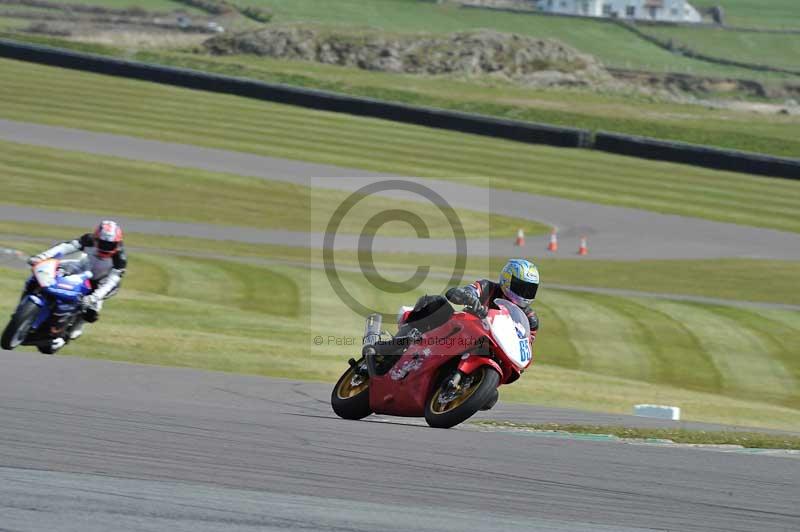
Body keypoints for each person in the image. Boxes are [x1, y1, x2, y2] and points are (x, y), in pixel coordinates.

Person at [27, 220, 127, 349]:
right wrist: (42, 257)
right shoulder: (88, 240)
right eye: (103, 243)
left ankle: (69, 332)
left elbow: (111, 282)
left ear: (117, 243)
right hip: (83, 267)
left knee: (90, 313)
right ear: (96, 239)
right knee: (49, 269)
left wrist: (94, 298)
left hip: (103, 282)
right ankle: (36, 300)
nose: (106, 248)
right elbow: (64, 247)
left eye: (110, 245)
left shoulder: (120, 258)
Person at [445, 258, 540, 343]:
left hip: (497, 353)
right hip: (466, 338)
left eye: (530, 289)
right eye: (521, 287)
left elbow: (524, 351)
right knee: (438, 303)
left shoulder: (530, 319)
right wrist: (468, 297)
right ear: (507, 280)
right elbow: (466, 291)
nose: (525, 293)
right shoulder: (486, 288)